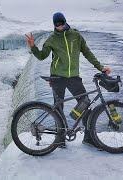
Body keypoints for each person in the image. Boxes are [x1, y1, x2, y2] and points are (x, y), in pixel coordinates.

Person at [25, 12, 111, 148]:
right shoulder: (51, 39)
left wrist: (100, 67)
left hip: (74, 78)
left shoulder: (76, 36)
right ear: (54, 25)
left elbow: (87, 52)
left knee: (85, 104)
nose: (59, 26)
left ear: (65, 22)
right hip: (57, 78)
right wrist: (33, 47)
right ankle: (60, 140)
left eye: (61, 23)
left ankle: (89, 138)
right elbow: (42, 56)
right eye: (57, 24)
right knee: (58, 109)